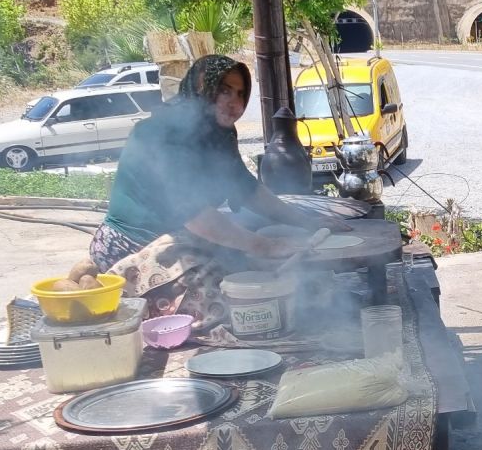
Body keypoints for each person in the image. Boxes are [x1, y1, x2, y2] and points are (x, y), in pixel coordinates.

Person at [86, 56, 334, 340]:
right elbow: (194, 216)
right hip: (132, 244)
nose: (235, 103)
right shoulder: (161, 133)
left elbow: (247, 189)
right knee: (233, 300)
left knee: (261, 270)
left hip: (181, 235)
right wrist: (263, 246)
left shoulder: (219, 134)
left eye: (241, 94)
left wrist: (308, 222)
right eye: (224, 90)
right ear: (202, 88)